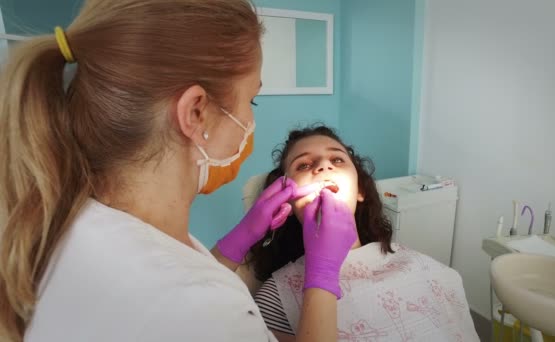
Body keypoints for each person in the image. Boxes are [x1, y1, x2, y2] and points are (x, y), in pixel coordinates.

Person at [0, 1, 356, 341]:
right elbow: (191, 298)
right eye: (251, 100)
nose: (250, 120)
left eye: (337, 159)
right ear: (195, 112)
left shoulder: (65, 223)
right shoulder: (207, 312)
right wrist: (323, 276)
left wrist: (239, 239)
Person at [250, 125, 479, 341]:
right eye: (304, 165)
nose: (323, 166)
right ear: (287, 200)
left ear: (360, 190)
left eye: (337, 159)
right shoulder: (276, 299)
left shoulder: (427, 268)